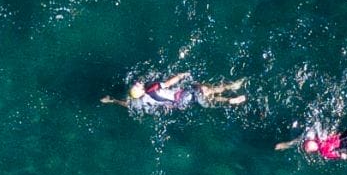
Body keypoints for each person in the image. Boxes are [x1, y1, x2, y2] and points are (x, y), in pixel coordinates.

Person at [102, 72, 247, 114]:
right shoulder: (151, 88)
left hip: (179, 104)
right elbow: (169, 83)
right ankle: (231, 89)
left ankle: (227, 99)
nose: (137, 83)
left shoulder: (140, 101)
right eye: (137, 86)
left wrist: (112, 100)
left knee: (206, 99)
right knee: (204, 88)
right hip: (184, 95)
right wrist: (181, 75)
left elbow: (128, 104)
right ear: (141, 91)